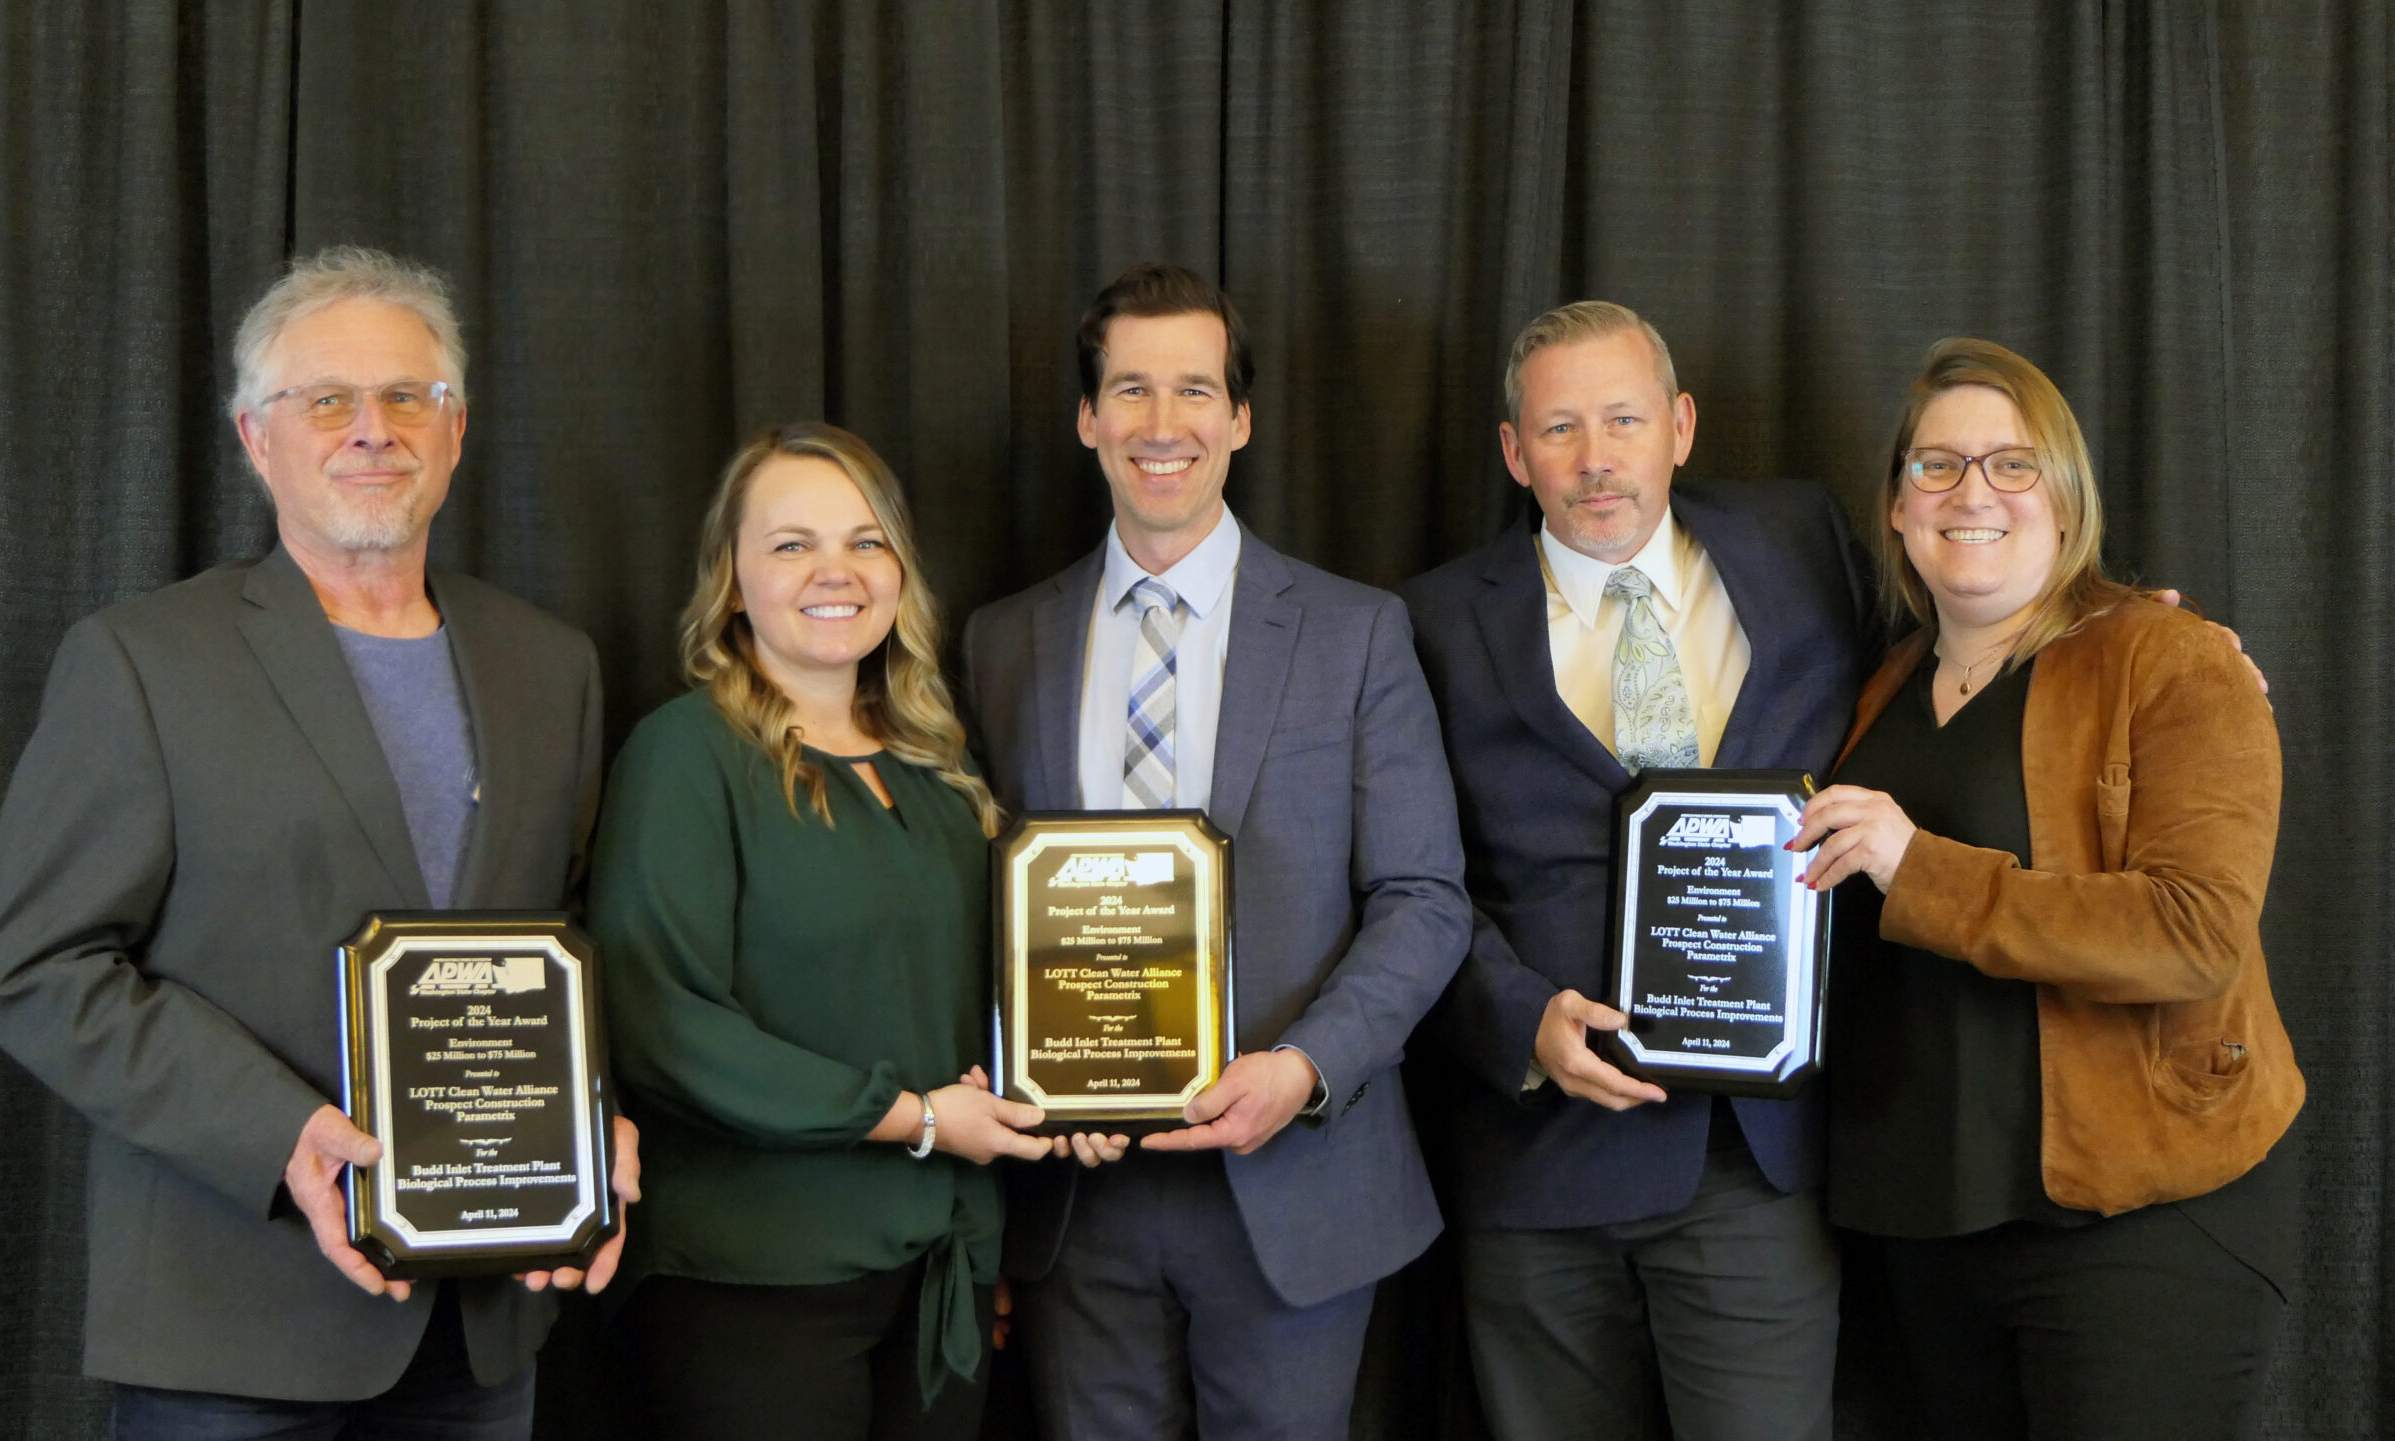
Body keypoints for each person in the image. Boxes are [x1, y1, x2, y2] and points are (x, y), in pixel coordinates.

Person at [0, 245, 638, 1438]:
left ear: (456, 429)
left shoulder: (553, 665)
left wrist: (589, 1122)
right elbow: (39, 971)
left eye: (406, 397)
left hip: (480, 1326)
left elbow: (573, 945)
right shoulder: (142, 662)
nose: (370, 429)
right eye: (325, 399)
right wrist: (281, 1132)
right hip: (231, 1319)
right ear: (254, 437)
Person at [958, 261, 1472, 1441]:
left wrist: (1302, 1070)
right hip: (1076, 1196)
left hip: (1293, 1181)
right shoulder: (1000, 643)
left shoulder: (1355, 632)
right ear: (1086, 419)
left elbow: (1423, 898)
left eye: (1194, 390)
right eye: (1129, 389)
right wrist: (1032, 1079)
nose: (1160, 423)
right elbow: (968, 912)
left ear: (1239, 418)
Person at [1789, 337, 2302, 1441]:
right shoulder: (1883, 682)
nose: (1971, 491)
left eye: (2011, 464)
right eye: (1935, 465)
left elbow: (2193, 930)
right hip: (1922, 1227)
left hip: (2131, 1227)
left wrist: (1918, 865)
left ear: (2065, 499)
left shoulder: (2166, 659)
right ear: (1894, 505)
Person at [1399, 301, 1871, 1441]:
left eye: (1623, 419)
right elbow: (1407, 875)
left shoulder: (1806, 543)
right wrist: (1516, 1022)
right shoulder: (1426, 622)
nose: (1596, 458)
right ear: (1515, 451)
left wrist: (2114, 631)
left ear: (1682, 427)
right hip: (1541, 1166)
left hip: (1754, 1157)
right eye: (1559, 428)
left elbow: (1964, 641)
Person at [587, 422, 1063, 1441]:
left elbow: (996, 1005)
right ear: (730, 578)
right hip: (757, 1278)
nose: (834, 571)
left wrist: (1088, 1092)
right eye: (791, 543)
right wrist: (915, 1118)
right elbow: (662, 1023)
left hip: (943, 1270)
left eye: (865, 540)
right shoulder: (684, 757)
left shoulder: (944, 772)